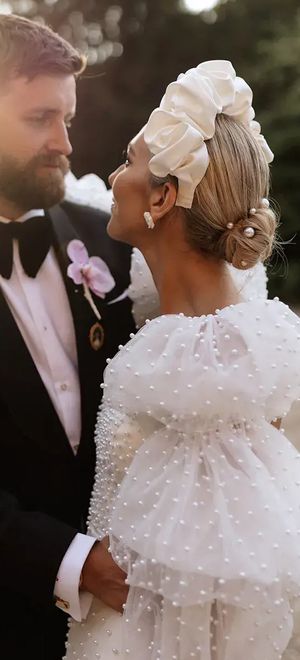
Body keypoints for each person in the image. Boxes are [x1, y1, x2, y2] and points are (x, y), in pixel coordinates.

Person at [65, 60, 300, 659]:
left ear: (165, 196)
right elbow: (79, 190)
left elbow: (219, 605)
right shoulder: (174, 322)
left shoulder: (210, 375)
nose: (115, 177)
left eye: (128, 160)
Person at [0, 14, 136, 660]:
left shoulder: (108, 234)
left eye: (68, 120)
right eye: (39, 119)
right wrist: (75, 562)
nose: (65, 144)